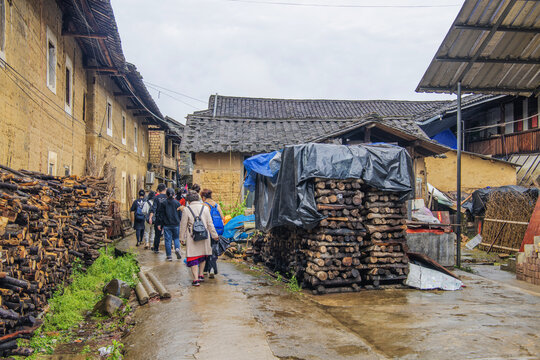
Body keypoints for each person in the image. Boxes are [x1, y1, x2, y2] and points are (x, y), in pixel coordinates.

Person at [180, 191, 218, 286]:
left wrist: (182, 238)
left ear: (188, 201)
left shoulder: (186, 210)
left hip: (192, 237)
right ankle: (201, 275)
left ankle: (196, 280)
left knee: (193, 257)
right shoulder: (205, 208)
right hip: (204, 236)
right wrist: (214, 235)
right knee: (202, 256)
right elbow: (210, 224)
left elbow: (183, 225)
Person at [200, 189, 225, 278]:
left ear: (203, 197)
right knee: (213, 250)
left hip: (207, 231)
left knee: (207, 250)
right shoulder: (216, 205)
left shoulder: (204, 205)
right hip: (217, 231)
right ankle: (211, 269)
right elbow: (222, 217)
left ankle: (208, 269)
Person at [157, 188, 183, 261]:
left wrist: (160, 225)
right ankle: (177, 249)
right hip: (176, 224)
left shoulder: (164, 203)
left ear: (167, 195)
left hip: (167, 224)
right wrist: (180, 222)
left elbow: (161, 215)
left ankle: (169, 256)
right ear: (174, 194)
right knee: (176, 238)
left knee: (168, 240)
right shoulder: (177, 203)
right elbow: (180, 214)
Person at [148, 183, 167, 253]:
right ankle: (169, 249)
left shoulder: (156, 198)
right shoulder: (167, 197)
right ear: (165, 189)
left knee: (157, 235)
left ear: (158, 190)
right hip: (166, 218)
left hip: (158, 219)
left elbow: (153, 208)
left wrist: (150, 217)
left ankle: (156, 248)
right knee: (167, 235)